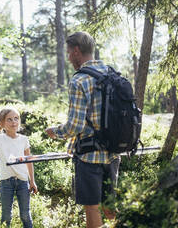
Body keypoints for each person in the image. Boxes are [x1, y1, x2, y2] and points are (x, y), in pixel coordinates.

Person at [45, 31, 120, 228]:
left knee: (92, 208)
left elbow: (75, 126)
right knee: (110, 206)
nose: (68, 57)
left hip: (89, 155)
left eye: (69, 53)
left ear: (77, 51)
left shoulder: (79, 80)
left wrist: (55, 132)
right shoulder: (112, 73)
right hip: (113, 151)